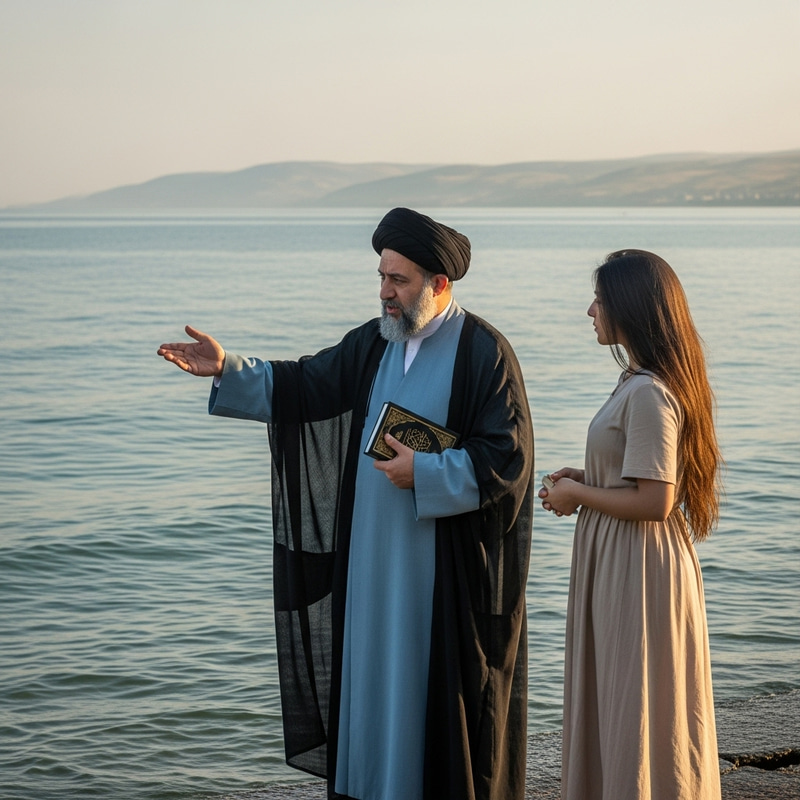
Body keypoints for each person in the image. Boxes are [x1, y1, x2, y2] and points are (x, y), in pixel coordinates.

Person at [157, 208, 535, 800]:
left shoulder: (483, 353)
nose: (385, 292)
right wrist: (227, 369)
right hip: (367, 571)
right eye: (381, 277)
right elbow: (306, 383)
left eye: (399, 281)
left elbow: (506, 464)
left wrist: (429, 472)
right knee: (371, 693)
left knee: (432, 708)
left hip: (438, 581)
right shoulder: (373, 344)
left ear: (439, 285)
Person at [539, 249, 722, 800]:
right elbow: (636, 474)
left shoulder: (647, 392)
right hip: (624, 557)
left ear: (628, 307)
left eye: (599, 299)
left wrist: (578, 495)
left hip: (637, 564)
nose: (590, 310)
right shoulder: (637, 380)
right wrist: (585, 474)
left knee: (635, 695)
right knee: (626, 694)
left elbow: (656, 500)